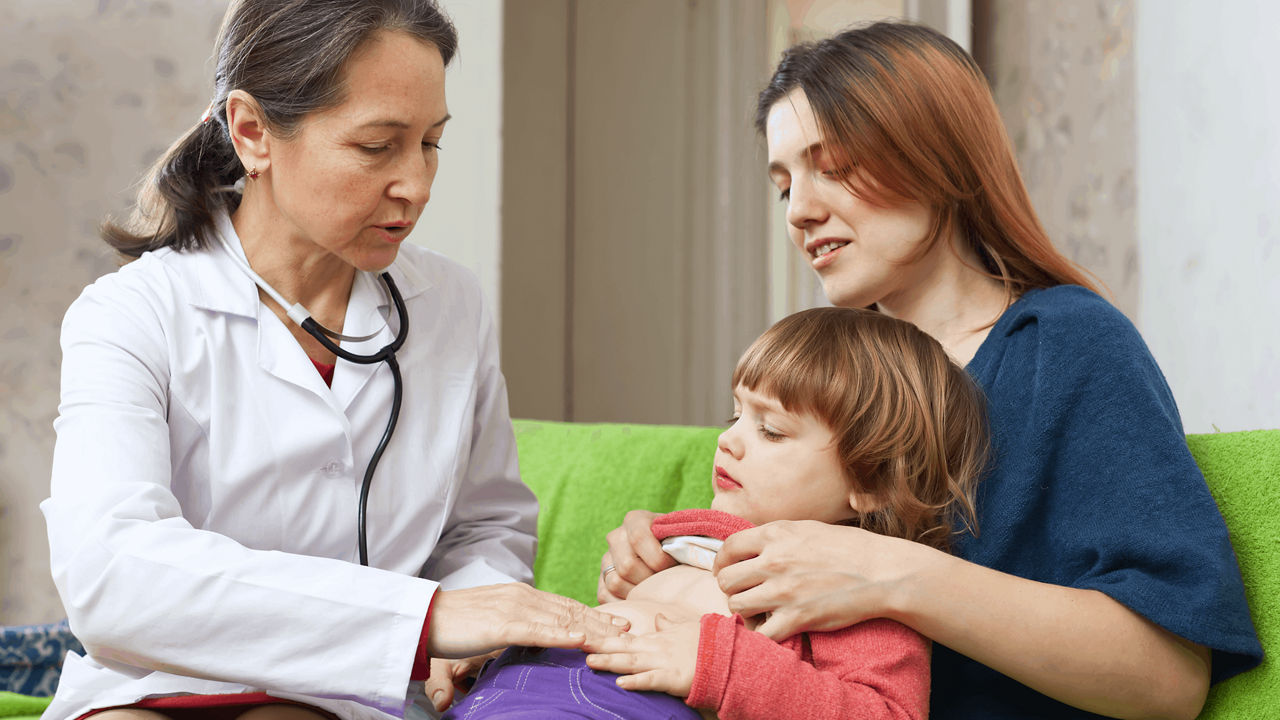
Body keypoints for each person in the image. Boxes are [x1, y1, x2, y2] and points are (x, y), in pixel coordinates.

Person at [600, 21, 1263, 720]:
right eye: (782, 186)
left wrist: (894, 576)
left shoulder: (1065, 345)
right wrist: (673, 556)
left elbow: (1169, 679)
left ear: (936, 156)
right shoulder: (844, 380)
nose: (799, 211)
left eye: (833, 166)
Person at [39, 4, 623, 720]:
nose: (417, 185)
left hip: (346, 697)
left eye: (431, 144)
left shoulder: (450, 305)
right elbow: (111, 573)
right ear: (252, 132)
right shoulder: (130, 314)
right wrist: (425, 619)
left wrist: (466, 632)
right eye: (378, 146)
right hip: (154, 686)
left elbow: (483, 529)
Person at [436, 306, 989, 719]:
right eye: (734, 416)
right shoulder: (679, 542)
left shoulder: (858, 590)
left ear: (873, 480)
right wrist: (508, 652)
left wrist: (720, 667)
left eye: (770, 430)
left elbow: (883, 714)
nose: (727, 442)